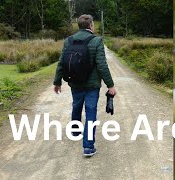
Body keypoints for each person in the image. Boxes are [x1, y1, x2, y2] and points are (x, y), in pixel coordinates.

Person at [53, 14, 116, 157]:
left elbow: (62, 62)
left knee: (76, 106)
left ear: (79, 26)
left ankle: (75, 131)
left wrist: (57, 82)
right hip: (92, 85)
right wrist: (110, 85)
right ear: (91, 25)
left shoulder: (69, 40)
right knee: (90, 112)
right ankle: (88, 147)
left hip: (75, 82)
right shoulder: (97, 41)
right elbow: (102, 65)